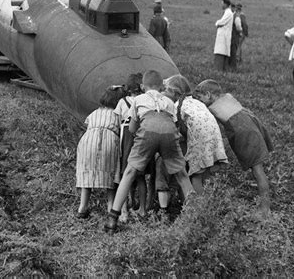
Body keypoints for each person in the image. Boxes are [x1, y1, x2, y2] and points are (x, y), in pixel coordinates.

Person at [104, 70, 194, 234]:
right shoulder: (168, 101)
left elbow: (132, 128)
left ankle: (113, 217)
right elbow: (174, 123)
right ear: (161, 87)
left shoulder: (138, 99)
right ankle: (197, 215)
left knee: (130, 172)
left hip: (147, 130)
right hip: (169, 131)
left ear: (142, 86)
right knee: (181, 175)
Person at [193, 79, 273, 216]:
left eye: (200, 98)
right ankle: (265, 206)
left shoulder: (211, 108)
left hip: (246, 134)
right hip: (253, 125)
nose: (200, 102)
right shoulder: (228, 97)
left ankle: (265, 208)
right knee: (258, 169)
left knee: (257, 170)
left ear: (208, 94)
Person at [163, 75, 228, 194]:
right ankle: (209, 200)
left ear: (174, 92)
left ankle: (198, 208)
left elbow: (174, 130)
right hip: (214, 138)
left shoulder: (177, 106)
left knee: (195, 177)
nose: (164, 93)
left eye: (166, 90)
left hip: (200, 141)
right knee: (206, 174)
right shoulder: (197, 102)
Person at [76, 86, 125, 218]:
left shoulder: (94, 113)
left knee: (87, 173)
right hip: (109, 139)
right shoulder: (117, 114)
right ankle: (110, 207)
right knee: (111, 174)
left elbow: (84, 127)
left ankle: (83, 207)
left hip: (88, 141)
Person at [113, 73, 146, 222]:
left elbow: (117, 119)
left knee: (124, 171)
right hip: (140, 133)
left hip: (126, 134)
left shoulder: (122, 101)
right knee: (140, 174)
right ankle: (143, 208)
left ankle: (124, 210)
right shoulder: (142, 100)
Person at [214, 0, 233, 71]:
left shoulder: (228, 13)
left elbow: (221, 22)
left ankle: (220, 69)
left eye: (222, 3)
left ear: (225, 4)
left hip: (224, 37)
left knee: (221, 51)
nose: (221, 5)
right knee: (221, 50)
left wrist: (217, 23)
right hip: (223, 36)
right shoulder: (226, 12)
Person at [229, 4, 243, 70]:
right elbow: (238, 27)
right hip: (235, 36)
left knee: (230, 50)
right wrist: (241, 31)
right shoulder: (237, 17)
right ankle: (233, 66)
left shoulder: (231, 15)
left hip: (229, 35)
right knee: (234, 51)